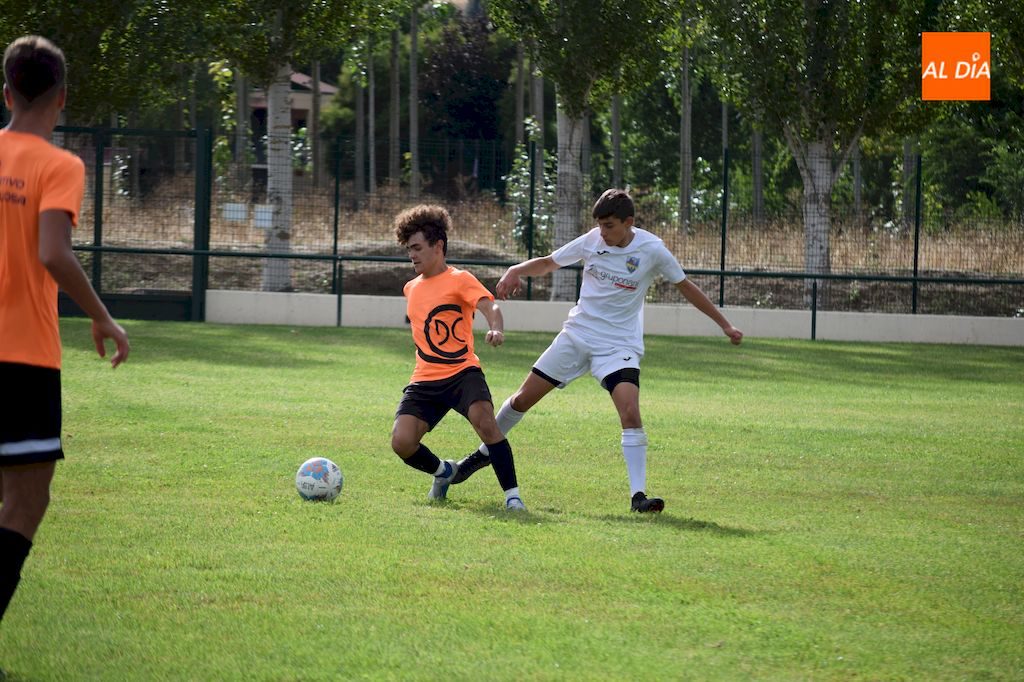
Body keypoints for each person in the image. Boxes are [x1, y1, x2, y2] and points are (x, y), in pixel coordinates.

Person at [451, 189, 743, 513]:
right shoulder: (592, 240)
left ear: (629, 223)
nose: (602, 232)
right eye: (600, 225)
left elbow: (686, 286)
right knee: (521, 400)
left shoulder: (652, 250)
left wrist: (725, 325)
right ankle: (481, 455)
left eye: (609, 226)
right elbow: (549, 263)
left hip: (618, 345)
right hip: (577, 336)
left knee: (630, 412)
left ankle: (638, 497)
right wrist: (515, 270)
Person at [0, 36, 131, 623]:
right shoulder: (59, 165)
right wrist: (101, 315)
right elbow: (53, 252)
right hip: (22, 357)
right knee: (24, 503)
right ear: (62, 97)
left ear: (7, 93)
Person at [390, 205, 525, 511]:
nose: (411, 255)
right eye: (409, 249)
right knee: (402, 442)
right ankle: (444, 472)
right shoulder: (410, 288)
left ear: (438, 246)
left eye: (417, 248)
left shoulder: (460, 279)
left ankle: (513, 497)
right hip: (425, 379)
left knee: (486, 423)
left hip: (463, 373)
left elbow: (490, 307)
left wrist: (496, 329)